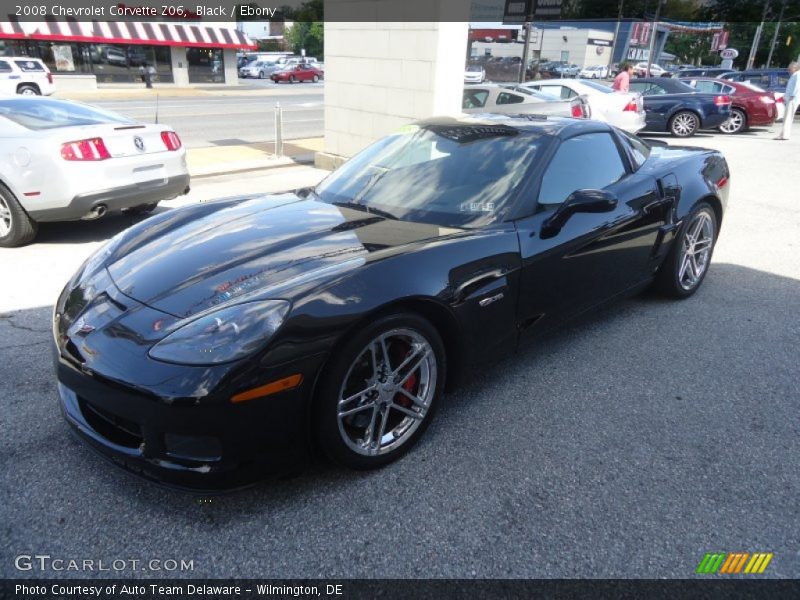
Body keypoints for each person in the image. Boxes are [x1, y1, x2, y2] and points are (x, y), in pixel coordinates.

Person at [775, 61, 799, 140]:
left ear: (795, 68)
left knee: (788, 117)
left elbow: (797, 86)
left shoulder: (797, 75)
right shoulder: (794, 75)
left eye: (790, 68)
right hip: (790, 98)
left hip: (792, 99)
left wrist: (793, 95)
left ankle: (785, 135)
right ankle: (783, 134)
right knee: (786, 117)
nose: (788, 70)